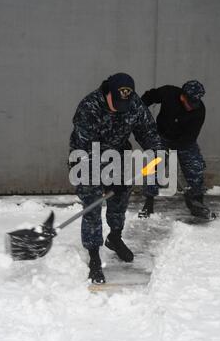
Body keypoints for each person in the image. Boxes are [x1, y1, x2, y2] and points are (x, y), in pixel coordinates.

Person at [69, 73, 162, 284]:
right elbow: (84, 149)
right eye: (116, 102)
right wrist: (108, 178)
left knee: (120, 198)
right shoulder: (89, 107)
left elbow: (147, 130)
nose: (121, 107)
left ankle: (115, 237)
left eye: (125, 103)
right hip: (85, 158)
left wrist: (157, 151)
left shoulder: (133, 103)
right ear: (107, 92)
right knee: (93, 203)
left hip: (118, 154)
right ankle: (93, 254)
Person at [139, 80, 214, 220]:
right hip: (161, 136)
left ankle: (197, 202)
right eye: (190, 102)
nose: (192, 107)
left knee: (195, 166)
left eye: (195, 103)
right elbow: (149, 97)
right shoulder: (168, 93)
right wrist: (141, 114)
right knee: (153, 167)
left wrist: (173, 148)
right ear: (183, 96)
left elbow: (189, 137)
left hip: (184, 141)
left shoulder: (199, 111)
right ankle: (148, 204)